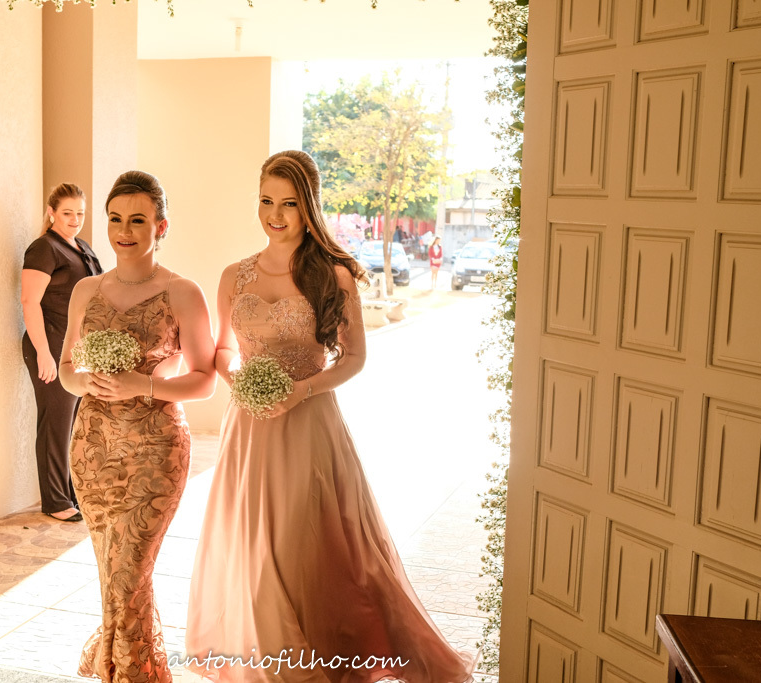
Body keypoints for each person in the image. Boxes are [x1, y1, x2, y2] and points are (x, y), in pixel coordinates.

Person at [185, 150, 477, 682]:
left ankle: (318, 656)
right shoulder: (233, 276)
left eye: (289, 204)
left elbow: (355, 358)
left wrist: (299, 391)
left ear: (309, 207)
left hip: (308, 425)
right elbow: (222, 350)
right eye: (267, 201)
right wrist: (241, 380)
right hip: (249, 428)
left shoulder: (334, 275)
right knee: (253, 547)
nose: (275, 215)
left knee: (298, 547)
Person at [59, 171, 216, 682]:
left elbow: (205, 380)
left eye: (138, 220)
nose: (124, 231)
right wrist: (85, 381)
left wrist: (141, 385)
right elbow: (66, 368)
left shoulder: (182, 291)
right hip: (93, 448)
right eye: (115, 219)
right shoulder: (86, 290)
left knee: (129, 573)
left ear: (160, 226)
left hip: (155, 450)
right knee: (113, 576)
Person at [21, 183, 102, 522]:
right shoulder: (44, 248)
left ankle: (70, 493)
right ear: (51, 212)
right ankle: (55, 501)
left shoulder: (82, 247)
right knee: (55, 422)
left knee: (72, 424)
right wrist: (44, 352)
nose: (75, 219)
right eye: (67, 213)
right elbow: (29, 301)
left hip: (75, 348)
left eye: (80, 213)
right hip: (51, 343)